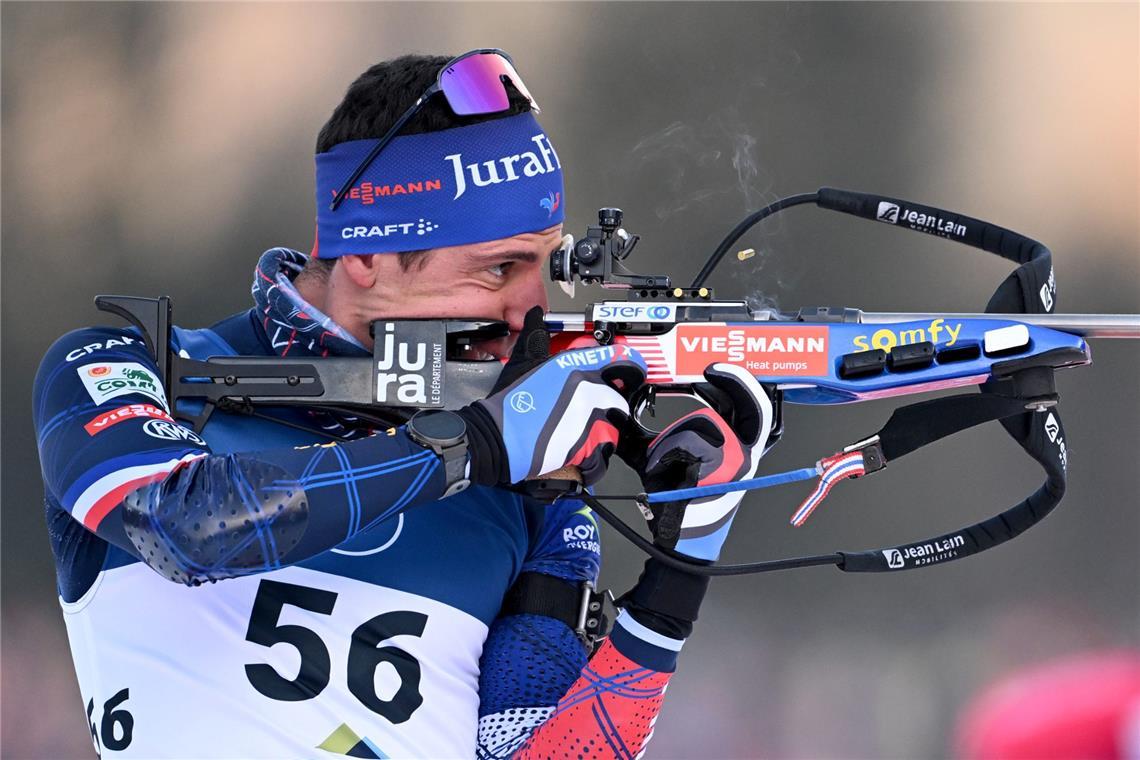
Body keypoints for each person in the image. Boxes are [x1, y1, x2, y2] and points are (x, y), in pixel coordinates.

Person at [33, 50, 774, 758]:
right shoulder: (132, 367)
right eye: (500, 269)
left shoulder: (528, 486)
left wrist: (678, 575)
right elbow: (185, 527)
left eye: (547, 264)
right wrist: (469, 448)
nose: (535, 312)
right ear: (366, 258)